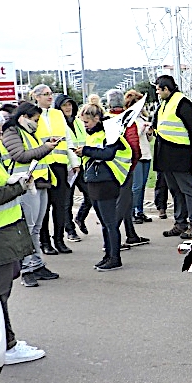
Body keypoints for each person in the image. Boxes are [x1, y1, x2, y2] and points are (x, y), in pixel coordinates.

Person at [0, 106, 47, 365]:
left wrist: (13, 181)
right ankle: (6, 346)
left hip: (1, 235)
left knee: (0, 291)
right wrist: (19, 186)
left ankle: (5, 342)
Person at [0, 102, 61, 287]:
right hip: (24, 185)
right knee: (28, 227)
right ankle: (26, 269)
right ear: (23, 117)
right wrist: (47, 147)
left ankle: (37, 264)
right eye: (35, 119)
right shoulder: (12, 131)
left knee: (36, 227)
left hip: (38, 183)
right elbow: (20, 155)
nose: (37, 122)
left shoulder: (28, 133)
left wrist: (44, 144)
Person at [74, 104, 134, 271]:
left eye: (87, 122)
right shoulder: (93, 134)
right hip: (93, 181)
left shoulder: (110, 133)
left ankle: (115, 258)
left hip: (107, 181)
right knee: (103, 223)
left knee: (110, 223)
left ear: (97, 119)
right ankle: (107, 255)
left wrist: (85, 151)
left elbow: (108, 154)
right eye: (83, 122)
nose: (84, 125)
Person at [151, 75, 192, 239]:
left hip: (179, 154)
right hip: (165, 154)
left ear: (166, 89)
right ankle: (180, 223)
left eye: (159, 89)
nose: (157, 93)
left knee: (188, 189)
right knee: (175, 190)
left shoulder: (182, 103)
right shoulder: (164, 103)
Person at [31, 84, 74, 255]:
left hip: (60, 164)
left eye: (51, 94)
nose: (50, 97)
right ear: (36, 96)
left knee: (60, 205)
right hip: (43, 166)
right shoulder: (33, 115)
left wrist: (74, 161)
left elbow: (68, 137)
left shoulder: (57, 114)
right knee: (44, 207)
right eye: (46, 94)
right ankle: (45, 242)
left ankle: (59, 240)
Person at [105, 89, 149, 248]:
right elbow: (134, 144)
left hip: (110, 167)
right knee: (123, 203)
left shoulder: (106, 119)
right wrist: (134, 162)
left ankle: (131, 234)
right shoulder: (126, 119)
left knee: (127, 202)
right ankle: (111, 239)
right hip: (125, 167)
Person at [56, 93, 88, 240]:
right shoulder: (58, 123)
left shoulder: (78, 122)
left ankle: (80, 217)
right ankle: (70, 230)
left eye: (70, 105)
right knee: (66, 202)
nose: (68, 107)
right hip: (67, 167)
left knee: (91, 195)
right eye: (64, 105)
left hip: (82, 165)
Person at [127, 90, 154, 223]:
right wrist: (141, 130)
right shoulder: (129, 119)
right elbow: (131, 137)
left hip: (146, 154)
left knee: (142, 185)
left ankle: (140, 211)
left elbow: (148, 139)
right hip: (136, 155)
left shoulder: (143, 118)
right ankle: (131, 212)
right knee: (136, 186)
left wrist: (149, 132)